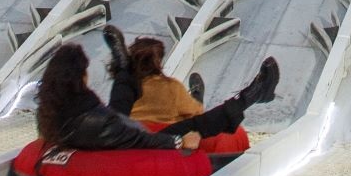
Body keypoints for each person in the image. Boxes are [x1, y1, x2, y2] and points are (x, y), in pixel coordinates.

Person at [101, 29, 281, 139]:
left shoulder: (124, 90)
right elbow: (197, 116)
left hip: (125, 127)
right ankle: (244, 97)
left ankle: (125, 68)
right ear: (159, 62)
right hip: (155, 135)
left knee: (119, 115)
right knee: (195, 119)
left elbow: (115, 112)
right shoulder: (170, 86)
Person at [34, 41, 207, 155]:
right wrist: (178, 140)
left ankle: (124, 69)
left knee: (119, 107)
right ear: (81, 77)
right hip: (116, 131)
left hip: (99, 128)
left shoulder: (49, 110)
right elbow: (139, 138)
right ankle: (124, 70)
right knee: (121, 112)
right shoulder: (98, 121)